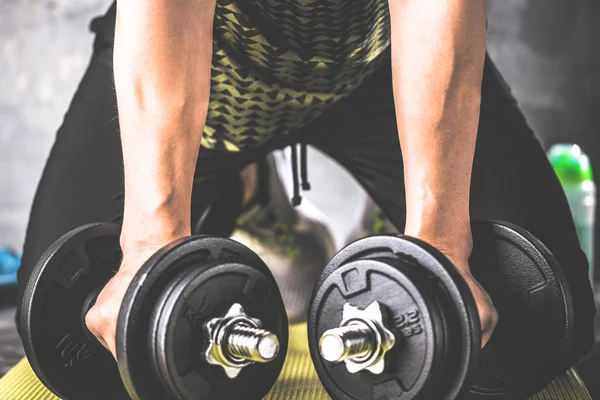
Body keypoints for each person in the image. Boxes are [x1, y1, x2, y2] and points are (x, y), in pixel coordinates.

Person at [16, 0, 594, 375]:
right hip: (207, 75)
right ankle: (252, 194)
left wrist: (433, 248)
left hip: (380, 70)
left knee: (530, 334)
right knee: (86, 334)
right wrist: (149, 253)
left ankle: (384, 224)